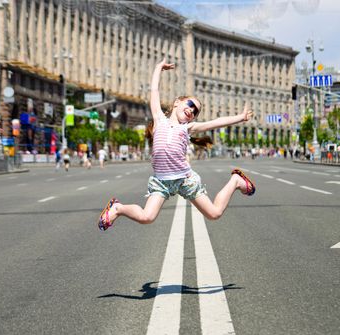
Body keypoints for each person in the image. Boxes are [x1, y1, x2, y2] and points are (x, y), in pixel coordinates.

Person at [98, 58, 256, 231]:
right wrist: (158, 68)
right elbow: (154, 90)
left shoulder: (188, 128)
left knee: (214, 214)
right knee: (146, 217)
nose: (191, 110)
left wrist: (240, 117)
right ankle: (117, 208)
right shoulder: (159, 118)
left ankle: (235, 180)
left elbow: (217, 122)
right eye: (190, 104)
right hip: (161, 181)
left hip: (184, 180)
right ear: (176, 103)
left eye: (195, 111)